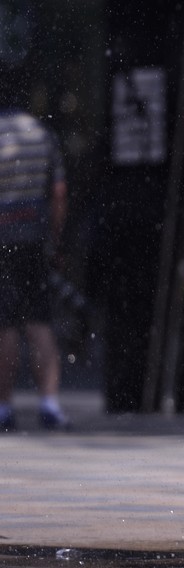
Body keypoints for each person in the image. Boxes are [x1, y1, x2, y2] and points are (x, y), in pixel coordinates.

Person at [0, 109, 70, 431]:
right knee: (40, 321)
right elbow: (58, 193)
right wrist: (55, 239)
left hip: (3, 239)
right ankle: (49, 403)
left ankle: (3, 407)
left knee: (6, 326)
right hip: (35, 237)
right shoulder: (42, 134)